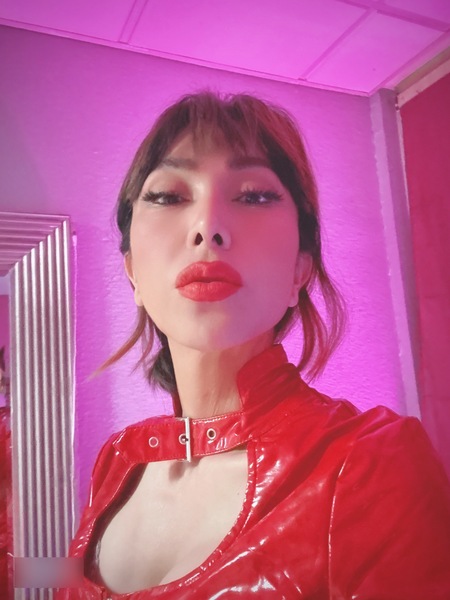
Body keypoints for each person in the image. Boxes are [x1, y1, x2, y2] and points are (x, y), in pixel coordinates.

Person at [58, 92, 450, 598]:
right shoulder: (117, 460)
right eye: (169, 196)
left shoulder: (371, 463)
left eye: (253, 196)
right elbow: (59, 583)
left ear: (300, 269)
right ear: (132, 271)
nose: (208, 227)